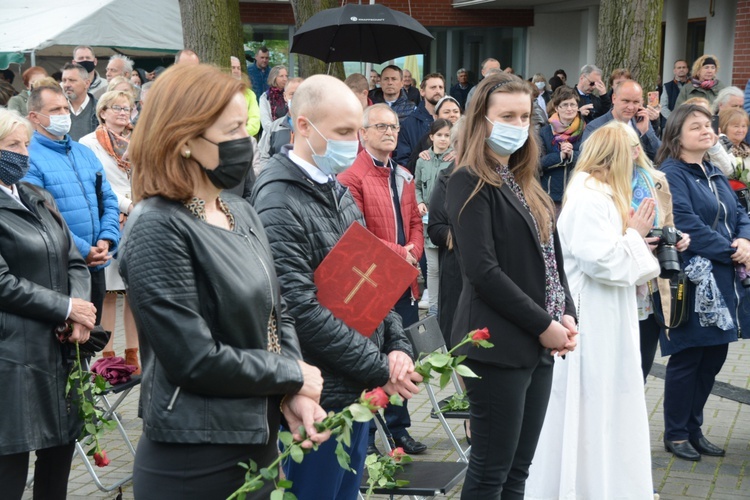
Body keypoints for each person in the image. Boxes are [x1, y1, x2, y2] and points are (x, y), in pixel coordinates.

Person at [118, 64, 327, 498]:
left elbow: (277, 309)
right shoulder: (157, 225)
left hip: (256, 436)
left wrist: (294, 391)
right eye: (232, 130)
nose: (246, 142)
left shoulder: (239, 210)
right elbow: (193, 357)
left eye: (246, 127)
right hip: (195, 455)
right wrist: (290, 374)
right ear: (186, 140)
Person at [251, 74, 420, 499]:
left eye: (355, 130)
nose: (354, 143)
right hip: (316, 395)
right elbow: (298, 310)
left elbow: (375, 279)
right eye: (343, 132)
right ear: (304, 126)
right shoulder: (277, 200)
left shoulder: (338, 191)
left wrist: (397, 346)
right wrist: (380, 367)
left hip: (355, 385)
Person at [444, 72, 577, 498]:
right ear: (481, 119)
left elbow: (550, 258)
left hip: (536, 343)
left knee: (519, 470)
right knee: (491, 471)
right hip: (495, 343)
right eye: (507, 116)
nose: (518, 125)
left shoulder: (523, 178)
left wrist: (567, 311)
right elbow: (483, 271)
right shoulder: (469, 178)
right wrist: (545, 324)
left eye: (524, 116)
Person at [526, 121, 661, 500]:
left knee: (609, 401)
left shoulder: (600, 194)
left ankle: (609, 484)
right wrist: (634, 235)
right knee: (590, 403)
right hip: (591, 315)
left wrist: (634, 238)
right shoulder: (588, 195)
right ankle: (582, 486)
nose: (637, 161)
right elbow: (599, 260)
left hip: (609, 312)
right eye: (632, 153)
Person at [0, 108, 97, 500]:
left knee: (59, 454)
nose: (22, 154)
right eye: (11, 145)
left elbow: (73, 258)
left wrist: (80, 311)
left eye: (25, 144)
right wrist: (64, 307)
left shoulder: (36, 195)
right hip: (13, 355)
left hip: (59, 350)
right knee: (10, 463)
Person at [657, 104, 750, 462]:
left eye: (708, 125)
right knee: (689, 357)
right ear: (677, 135)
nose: (706, 130)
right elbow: (687, 224)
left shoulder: (712, 170)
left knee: (713, 356)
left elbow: (740, 212)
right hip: (694, 280)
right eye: (695, 126)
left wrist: (744, 241)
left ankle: (695, 429)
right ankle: (676, 433)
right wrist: (732, 252)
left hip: (726, 278)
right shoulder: (671, 173)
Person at [338, 103, 427, 456]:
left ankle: (399, 429)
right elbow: (355, 229)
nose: (389, 132)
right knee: (375, 359)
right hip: (371, 282)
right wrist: (397, 251)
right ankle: (372, 434)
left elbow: (417, 224)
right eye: (381, 127)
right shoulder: (351, 176)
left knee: (403, 356)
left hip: (404, 280)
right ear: (363, 133)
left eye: (393, 127)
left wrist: (413, 252)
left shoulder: (403, 174)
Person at [24, 84, 120, 326]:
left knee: (90, 335)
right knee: (66, 339)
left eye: (66, 108)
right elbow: (41, 213)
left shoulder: (83, 152)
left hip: (96, 263)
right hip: (60, 267)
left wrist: (106, 239)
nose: (64, 114)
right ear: (34, 117)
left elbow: (107, 199)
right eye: (55, 109)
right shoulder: (28, 157)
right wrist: (81, 249)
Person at [79, 90, 140, 373]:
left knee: (132, 290)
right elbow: (95, 184)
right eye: (116, 108)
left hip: (137, 216)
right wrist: (127, 205)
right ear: (102, 111)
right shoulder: (88, 143)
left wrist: (139, 204)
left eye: (127, 108)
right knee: (108, 292)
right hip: (109, 218)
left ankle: (133, 355)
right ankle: (107, 356)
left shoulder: (137, 138)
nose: (123, 113)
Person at [415, 118, 453, 315]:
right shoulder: (423, 160)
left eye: (447, 135)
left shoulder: (454, 159)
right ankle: (433, 308)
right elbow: (416, 185)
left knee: (448, 267)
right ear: (431, 137)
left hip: (448, 221)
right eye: (439, 135)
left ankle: (447, 306)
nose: (443, 139)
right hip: (428, 221)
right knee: (432, 268)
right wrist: (419, 201)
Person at [583, 80, 661, 161]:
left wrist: (645, 133)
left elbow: (658, 156)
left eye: (636, 102)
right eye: (626, 101)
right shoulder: (595, 127)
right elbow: (587, 163)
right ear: (614, 98)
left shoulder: (642, 121)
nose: (631, 107)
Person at [539, 85, 584, 212]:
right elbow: (538, 162)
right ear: (556, 107)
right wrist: (561, 156)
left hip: (577, 194)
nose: (569, 109)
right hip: (551, 195)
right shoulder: (545, 131)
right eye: (565, 105)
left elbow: (591, 157)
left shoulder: (586, 129)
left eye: (573, 104)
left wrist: (571, 154)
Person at [395, 73, 445, 168]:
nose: (438, 91)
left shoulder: (452, 121)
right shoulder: (408, 124)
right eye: (433, 87)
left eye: (441, 87)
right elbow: (403, 161)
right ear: (422, 92)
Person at [258, 77, 303, 168]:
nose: (296, 98)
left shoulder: (315, 126)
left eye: (300, 94)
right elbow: (264, 158)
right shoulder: (275, 127)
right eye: (292, 94)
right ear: (285, 96)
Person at [62, 63, 98, 141]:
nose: (66, 85)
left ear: (87, 83)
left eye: (72, 80)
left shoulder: (100, 110)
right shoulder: (56, 110)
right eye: (64, 80)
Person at [230, 56, 261, 137]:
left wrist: (241, 134)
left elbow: (255, 119)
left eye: (238, 68)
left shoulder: (249, 94)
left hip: (244, 138)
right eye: (233, 68)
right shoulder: (218, 91)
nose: (236, 71)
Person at [719, 108, 750, 183]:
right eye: (736, 126)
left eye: (744, 126)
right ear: (724, 127)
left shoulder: (747, 149)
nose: (741, 130)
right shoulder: (720, 149)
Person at [259, 65, 289, 131]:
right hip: (272, 134)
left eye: (286, 76)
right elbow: (265, 123)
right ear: (274, 78)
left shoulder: (290, 94)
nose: (285, 79)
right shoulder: (265, 97)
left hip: (290, 133)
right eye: (281, 76)